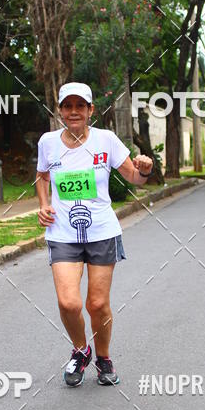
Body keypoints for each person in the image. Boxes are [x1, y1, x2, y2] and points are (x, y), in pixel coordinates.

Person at [36, 82, 153, 388]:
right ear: (60, 110)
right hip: (62, 232)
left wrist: (144, 169)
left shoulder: (106, 140)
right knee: (68, 303)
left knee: (97, 304)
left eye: (80, 106)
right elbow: (42, 176)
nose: (73, 111)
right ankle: (80, 350)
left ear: (90, 110)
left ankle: (103, 358)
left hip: (101, 231)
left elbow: (134, 178)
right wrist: (44, 204)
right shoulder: (48, 142)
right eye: (68, 106)